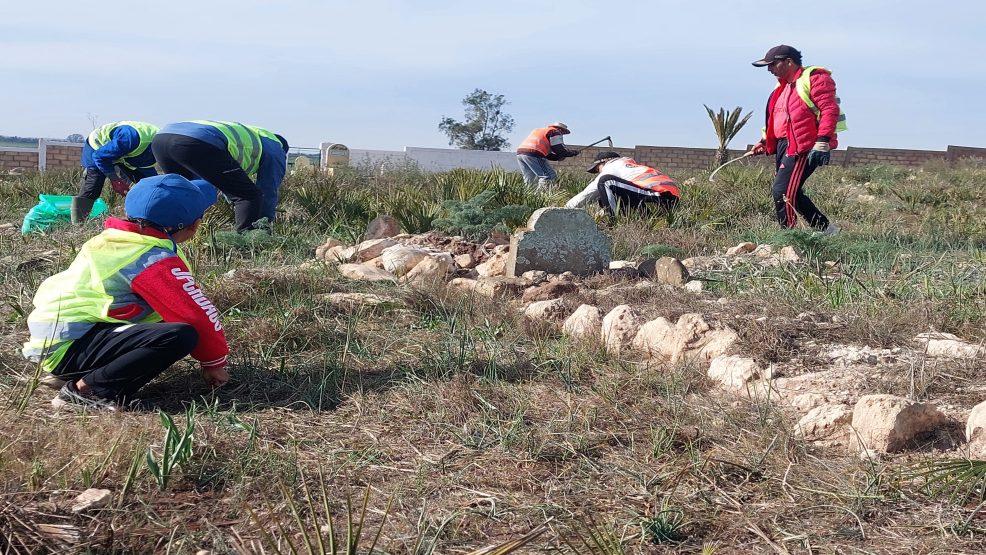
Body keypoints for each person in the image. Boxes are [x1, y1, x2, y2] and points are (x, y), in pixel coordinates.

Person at [22, 174, 229, 412]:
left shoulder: (118, 239)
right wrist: (214, 362)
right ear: (193, 226)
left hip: (63, 340)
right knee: (179, 335)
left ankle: (76, 373)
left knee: (162, 320)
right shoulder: (150, 258)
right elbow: (195, 313)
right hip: (71, 345)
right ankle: (86, 393)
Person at [747, 45, 847, 234]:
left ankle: (790, 237)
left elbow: (829, 110)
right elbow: (776, 118)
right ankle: (828, 230)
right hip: (785, 145)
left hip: (804, 146)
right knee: (793, 192)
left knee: (782, 192)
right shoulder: (782, 87)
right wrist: (763, 142)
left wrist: (822, 141)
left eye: (772, 64)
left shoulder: (815, 79)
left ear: (789, 62)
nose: (770, 69)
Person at [151, 121, 289, 231]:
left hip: (162, 138)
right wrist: (264, 224)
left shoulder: (253, 136)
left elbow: (219, 181)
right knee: (249, 195)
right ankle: (244, 241)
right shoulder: (276, 149)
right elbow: (268, 189)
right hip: (197, 141)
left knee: (184, 192)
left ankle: (157, 229)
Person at [73, 121, 159, 224]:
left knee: (150, 186)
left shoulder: (157, 151)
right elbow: (99, 156)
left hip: (129, 152)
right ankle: (78, 223)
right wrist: (115, 180)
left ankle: (146, 221)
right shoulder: (129, 138)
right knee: (94, 184)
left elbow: (151, 181)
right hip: (98, 146)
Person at [565, 151, 680, 216]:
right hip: (668, 200)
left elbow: (588, 193)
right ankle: (647, 218)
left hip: (658, 196)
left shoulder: (612, 166)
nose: (597, 172)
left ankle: (612, 221)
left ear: (605, 162)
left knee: (605, 181)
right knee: (611, 196)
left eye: (597, 169)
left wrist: (565, 209)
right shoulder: (630, 167)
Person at [516, 122, 579, 188]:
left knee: (529, 177)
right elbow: (559, 149)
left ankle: (528, 196)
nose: (562, 135)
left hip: (521, 153)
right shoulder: (555, 132)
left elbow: (547, 154)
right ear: (560, 130)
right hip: (534, 153)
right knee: (548, 176)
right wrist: (574, 153)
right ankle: (540, 196)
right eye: (563, 133)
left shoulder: (540, 131)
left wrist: (557, 157)